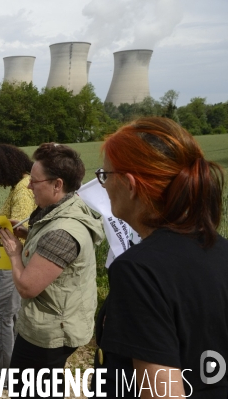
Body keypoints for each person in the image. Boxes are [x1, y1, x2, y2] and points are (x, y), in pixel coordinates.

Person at [91, 117, 228, 397]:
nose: (103, 186)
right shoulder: (220, 250)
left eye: (105, 175)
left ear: (129, 185)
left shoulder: (139, 270)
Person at [0, 143, 104, 397]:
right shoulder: (64, 208)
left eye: (35, 181)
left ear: (57, 185)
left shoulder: (63, 233)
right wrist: (28, 232)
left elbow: (26, 286)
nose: (28, 186)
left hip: (50, 331)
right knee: (46, 384)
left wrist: (14, 253)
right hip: (59, 320)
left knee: (29, 388)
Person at [0, 144, 37, 388]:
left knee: (0, 314)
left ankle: (6, 375)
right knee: (11, 317)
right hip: (16, 260)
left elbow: (21, 232)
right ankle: (15, 369)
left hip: (16, 261)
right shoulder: (22, 185)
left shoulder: (23, 189)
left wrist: (1, 225)